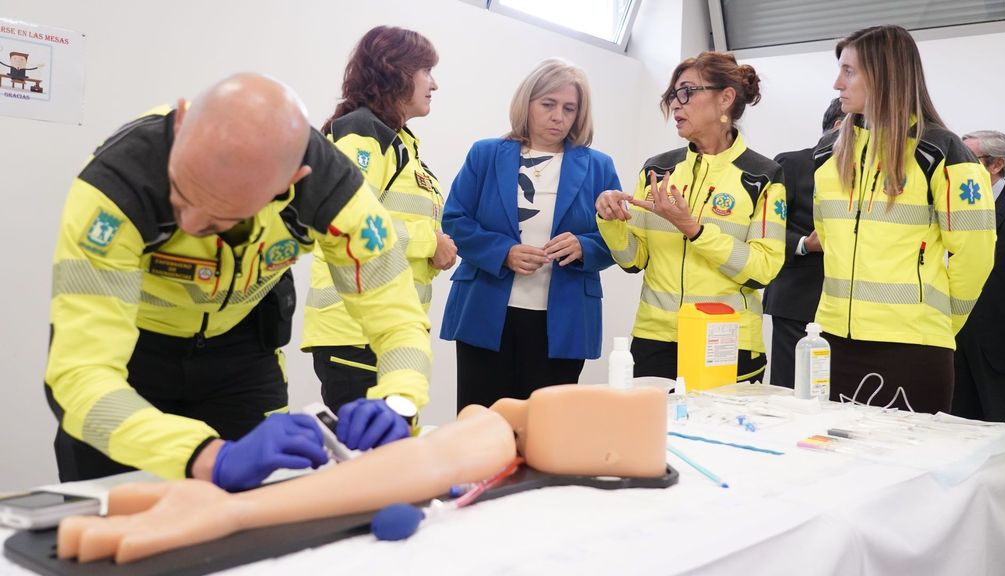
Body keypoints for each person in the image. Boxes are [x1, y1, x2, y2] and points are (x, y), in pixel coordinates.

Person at [45, 73, 431, 491]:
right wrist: (206, 456)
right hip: (134, 354)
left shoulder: (334, 192)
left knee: (262, 516)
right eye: (181, 192)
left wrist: (400, 400)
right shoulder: (115, 186)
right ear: (181, 124)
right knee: (107, 514)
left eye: (219, 217)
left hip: (242, 352)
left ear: (289, 183)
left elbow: (398, 321)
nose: (189, 224)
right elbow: (82, 375)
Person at [57, 384, 667, 564]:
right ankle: (226, 507)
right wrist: (218, 475)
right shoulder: (488, 434)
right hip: (472, 443)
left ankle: (224, 508)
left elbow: (394, 307)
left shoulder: (494, 436)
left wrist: (401, 403)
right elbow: (430, 461)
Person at [813, 26, 996, 413]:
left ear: (883, 73)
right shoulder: (828, 154)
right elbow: (830, 242)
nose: (837, 83)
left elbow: (975, 256)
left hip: (912, 348)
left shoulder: (944, 153)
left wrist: (942, 322)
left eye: (849, 71)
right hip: (831, 342)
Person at [440, 58, 621, 411]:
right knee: (482, 425)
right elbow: (455, 220)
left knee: (547, 431)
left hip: (563, 321)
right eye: (548, 105)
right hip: (486, 312)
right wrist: (503, 252)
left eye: (569, 108)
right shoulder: (486, 154)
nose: (559, 117)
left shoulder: (599, 165)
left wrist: (584, 246)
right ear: (527, 103)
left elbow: (618, 240)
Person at [595, 52, 785, 383]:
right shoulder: (657, 169)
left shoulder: (762, 176)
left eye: (686, 92)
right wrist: (610, 219)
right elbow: (633, 259)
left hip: (727, 340)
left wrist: (694, 230)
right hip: (655, 340)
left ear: (725, 98)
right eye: (672, 95)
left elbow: (762, 270)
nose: (675, 105)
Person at [302, 26, 456, 415]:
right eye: (426, 71)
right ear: (396, 72)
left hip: (385, 333)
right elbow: (346, 226)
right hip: (356, 332)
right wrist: (429, 242)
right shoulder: (361, 134)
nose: (434, 84)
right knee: (374, 462)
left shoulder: (400, 140)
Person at [762, 98, 844, 388]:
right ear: (840, 126)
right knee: (789, 389)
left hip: (847, 307)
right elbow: (762, 229)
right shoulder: (792, 163)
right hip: (797, 299)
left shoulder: (869, 175)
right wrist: (804, 244)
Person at [953, 130, 1005, 424]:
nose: (959, 169)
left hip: (1004, 346)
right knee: (954, 426)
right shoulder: (949, 207)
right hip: (954, 341)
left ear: (996, 165)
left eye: (969, 160)